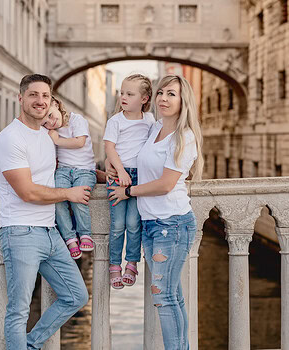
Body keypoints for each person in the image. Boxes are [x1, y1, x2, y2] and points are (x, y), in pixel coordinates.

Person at [0, 74, 91, 350]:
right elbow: (27, 192)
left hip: (50, 232)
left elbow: (71, 169)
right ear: (21, 98)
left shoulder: (48, 137)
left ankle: (30, 345)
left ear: (52, 102)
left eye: (45, 96)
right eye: (34, 95)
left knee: (76, 296)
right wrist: (68, 194)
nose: (40, 101)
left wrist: (110, 178)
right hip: (20, 231)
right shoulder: (10, 138)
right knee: (19, 310)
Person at [108, 75, 203, 350]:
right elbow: (130, 157)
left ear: (184, 100)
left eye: (171, 94)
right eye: (161, 92)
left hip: (171, 224)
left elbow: (165, 184)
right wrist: (109, 169)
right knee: (172, 296)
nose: (163, 98)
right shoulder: (155, 128)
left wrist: (127, 192)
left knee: (163, 297)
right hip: (151, 223)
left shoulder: (183, 137)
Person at [103, 74, 155, 289]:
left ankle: (132, 262)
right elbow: (110, 147)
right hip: (118, 176)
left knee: (134, 224)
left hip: (140, 178)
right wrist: (120, 171)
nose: (123, 97)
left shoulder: (150, 120)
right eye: (122, 92)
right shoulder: (116, 121)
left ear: (144, 98)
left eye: (130, 94)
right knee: (117, 225)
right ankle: (115, 264)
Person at [42, 96, 97, 259]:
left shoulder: (76, 120)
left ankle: (85, 234)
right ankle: (70, 238)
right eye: (45, 122)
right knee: (57, 199)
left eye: (50, 115)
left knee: (78, 199)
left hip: (84, 170)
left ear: (55, 104)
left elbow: (80, 142)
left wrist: (57, 140)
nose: (50, 123)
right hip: (64, 171)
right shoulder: (50, 132)